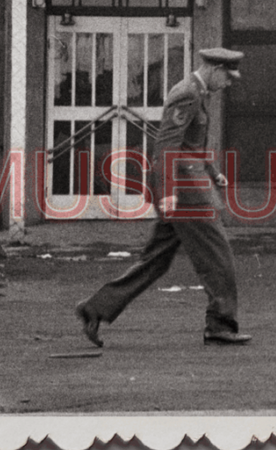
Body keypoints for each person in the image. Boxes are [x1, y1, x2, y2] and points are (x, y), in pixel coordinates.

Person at [74, 47, 252, 347]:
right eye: (227, 76)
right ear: (213, 69)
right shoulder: (189, 94)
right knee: (218, 257)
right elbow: (167, 145)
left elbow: (190, 144)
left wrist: (211, 170)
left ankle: (96, 309)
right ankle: (220, 324)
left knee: (155, 261)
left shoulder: (197, 91)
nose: (229, 83)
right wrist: (168, 193)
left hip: (187, 185)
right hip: (186, 193)